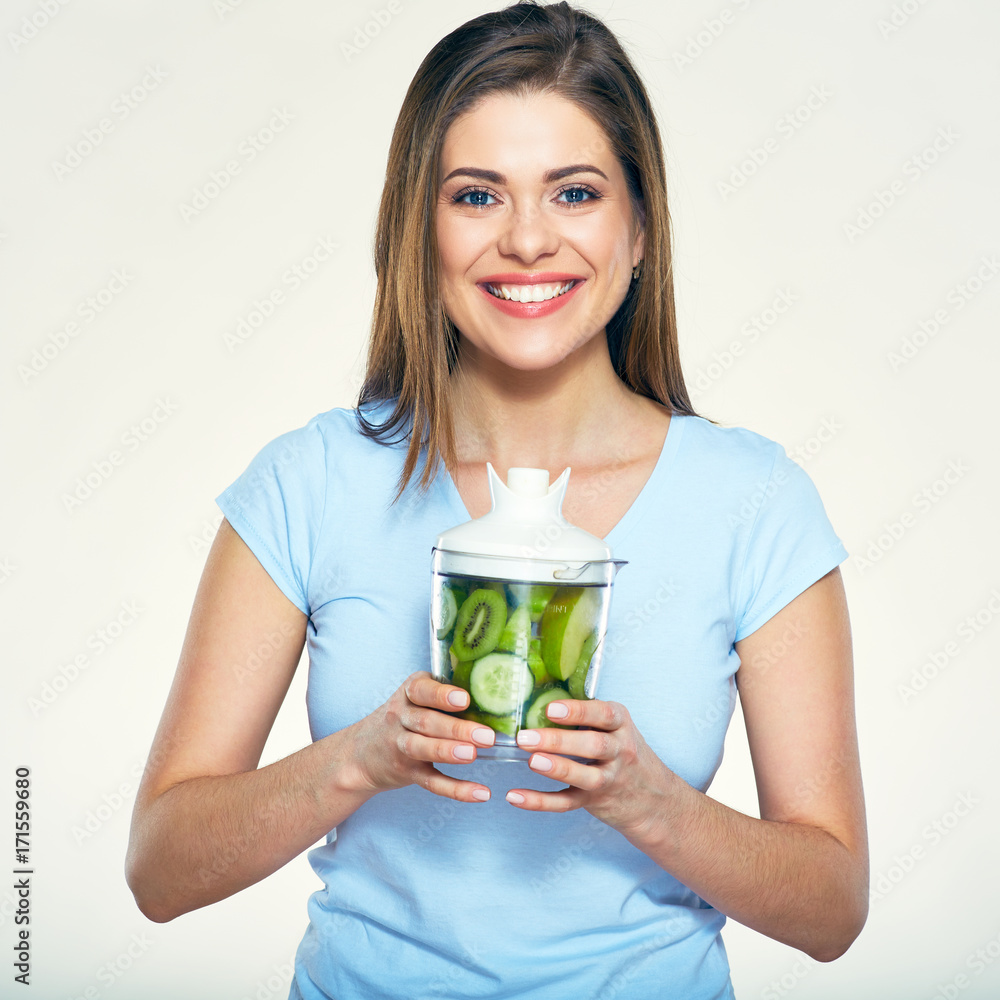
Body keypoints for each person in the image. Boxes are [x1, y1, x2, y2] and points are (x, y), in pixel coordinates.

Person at [125, 2, 868, 997]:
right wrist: (359, 759)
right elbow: (161, 869)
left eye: (575, 192)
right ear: (418, 231)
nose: (526, 239)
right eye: (476, 196)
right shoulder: (313, 482)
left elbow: (831, 909)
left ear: (639, 231)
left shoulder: (754, 502)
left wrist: (650, 802)